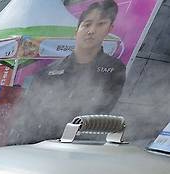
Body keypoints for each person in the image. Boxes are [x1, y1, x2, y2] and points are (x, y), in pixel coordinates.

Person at [11, 0, 125, 144]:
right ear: (76, 31)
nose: (91, 31)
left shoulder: (114, 68)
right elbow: (28, 113)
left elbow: (101, 109)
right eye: (87, 24)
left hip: (81, 147)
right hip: (40, 145)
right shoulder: (48, 71)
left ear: (110, 28)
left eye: (101, 24)